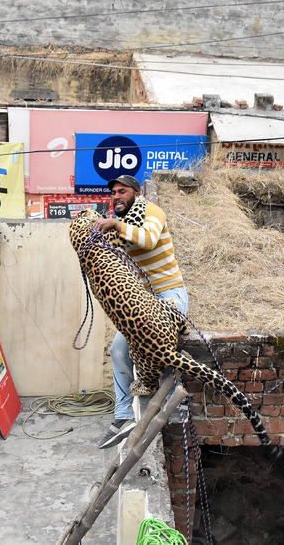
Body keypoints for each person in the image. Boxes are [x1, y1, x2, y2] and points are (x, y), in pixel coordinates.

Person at [91, 175, 188, 449]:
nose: (116, 196)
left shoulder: (151, 212)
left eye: (122, 191)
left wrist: (115, 224)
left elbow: (148, 239)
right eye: (113, 193)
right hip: (143, 301)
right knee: (118, 351)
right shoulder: (123, 225)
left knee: (160, 348)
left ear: (136, 193)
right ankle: (123, 415)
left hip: (169, 294)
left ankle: (173, 405)